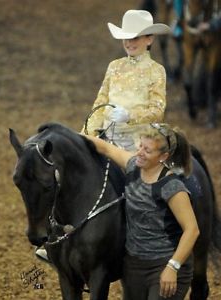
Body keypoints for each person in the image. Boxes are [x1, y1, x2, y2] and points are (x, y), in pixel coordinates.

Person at [83, 123, 200, 300]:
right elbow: (105, 148)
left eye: (147, 150)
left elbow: (192, 230)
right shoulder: (133, 167)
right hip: (134, 266)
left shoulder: (172, 187)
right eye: (140, 146)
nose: (139, 152)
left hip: (165, 265)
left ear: (164, 156)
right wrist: (67, 135)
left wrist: (172, 267)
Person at [83, 10, 171, 151]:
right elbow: (100, 103)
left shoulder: (156, 70)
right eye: (126, 38)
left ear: (149, 39)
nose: (129, 43)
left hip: (138, 142)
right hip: (107, 137)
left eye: (135, 38)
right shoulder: (114, 66)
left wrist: (129, 116)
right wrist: (87, 134)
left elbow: (157, 111)